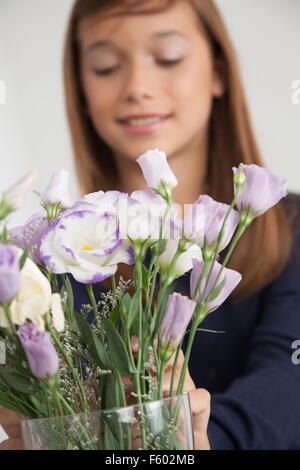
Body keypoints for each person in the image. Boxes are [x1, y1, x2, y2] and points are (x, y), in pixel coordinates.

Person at [1, 0, 300, 450]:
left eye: (168, 58)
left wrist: (193, 440)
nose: (138, 87)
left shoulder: (292, 228)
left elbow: (288, 383)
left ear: (218, 71)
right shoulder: (48, 262)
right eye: (105, 67)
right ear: (81, 90)